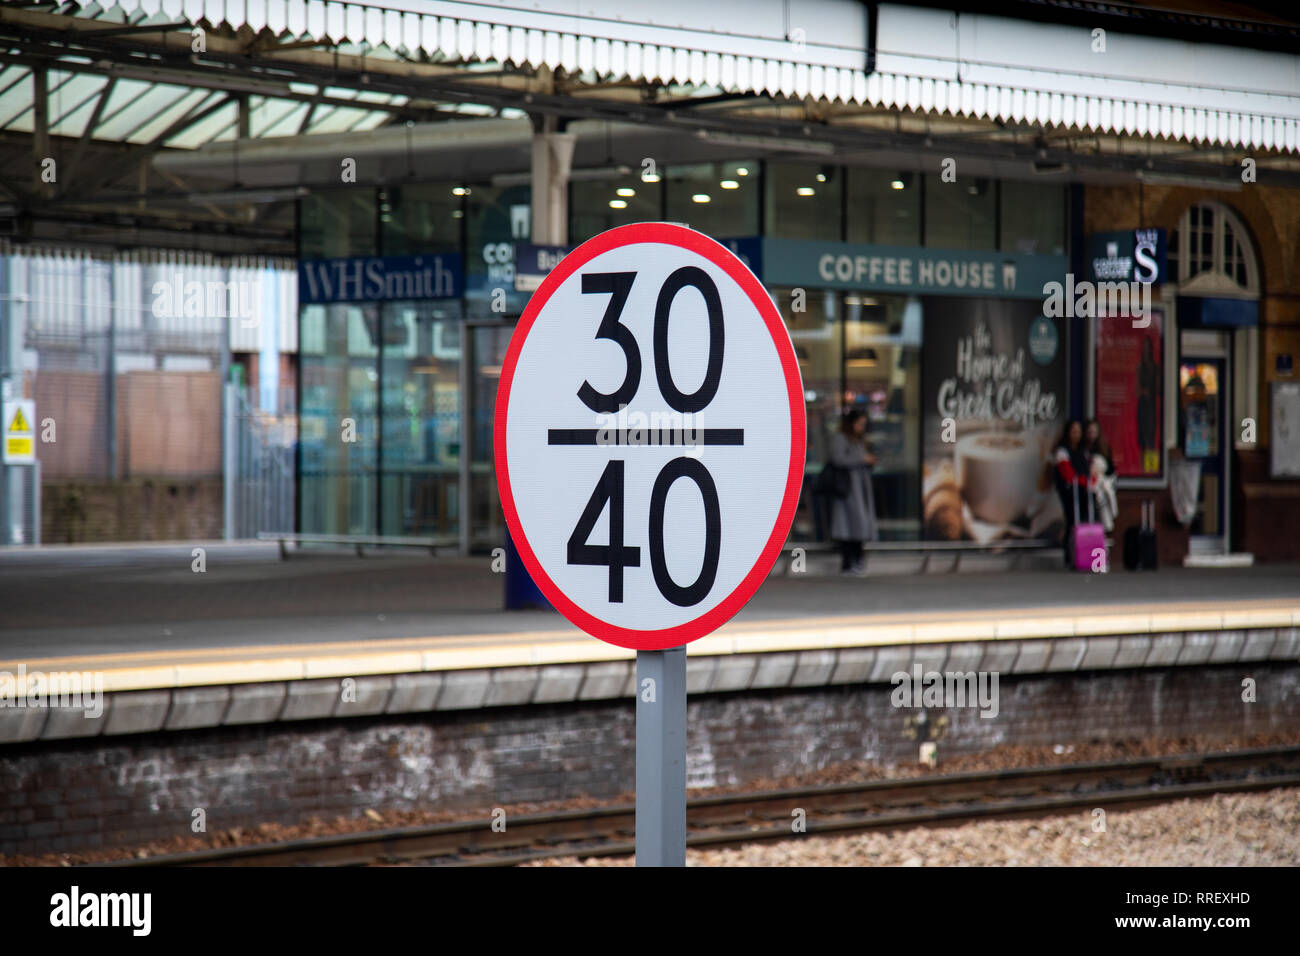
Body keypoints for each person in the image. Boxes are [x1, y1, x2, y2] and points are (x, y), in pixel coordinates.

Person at [829, 409, 879, 575]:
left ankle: (857, 561)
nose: (862, 428)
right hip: (849, 488)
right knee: (850, 525)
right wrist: (862, 459)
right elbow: (838, 459)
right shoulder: (841, 438)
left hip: (860, 487)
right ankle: (849, 562)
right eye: (859, 424)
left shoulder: (857, 440)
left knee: (859, 525)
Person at [1054, 419, 1092, 567]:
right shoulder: (1063, 451)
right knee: (1072, 520)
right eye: (1073, 431)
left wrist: (1089, 481)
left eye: (1078, 432)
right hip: (1070, 491)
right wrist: (1083, 481)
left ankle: (1091, 557)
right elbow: (1067, 474)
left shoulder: (1083, 451)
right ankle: (1071, 555)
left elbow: (1088, 469)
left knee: (1088, 520)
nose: (1076, 435)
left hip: (1084, 491)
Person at [1085, 419, 1119, 532]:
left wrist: (1101, 473)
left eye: (1094, 432)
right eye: (1089, 432)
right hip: (1087, 487)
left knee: (1102, 511)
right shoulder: (1084, 449)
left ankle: (1101, 539)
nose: (1092, 435)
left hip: (1101, 484)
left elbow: (1111, 469)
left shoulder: (1104, 448)